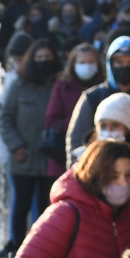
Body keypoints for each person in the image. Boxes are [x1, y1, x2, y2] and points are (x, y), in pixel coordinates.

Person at [0, 37, 62, 253]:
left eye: (48, 57)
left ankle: (39, 250)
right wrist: (16, 146)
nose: (44, 61)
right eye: (39, 57)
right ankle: (16, 248)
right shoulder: (18, 84)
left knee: (45, 209)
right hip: (23, 159)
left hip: (50, 160)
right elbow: (5, 118)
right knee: (20, 207)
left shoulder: (58, 84)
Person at [66, 34, 130, 157]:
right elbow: (76, 141)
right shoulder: (92, 97)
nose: (125, 67)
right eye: (119, 62)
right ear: (110, 63)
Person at [45, 43, 103, 182]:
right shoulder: (62, 86)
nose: (87, 66)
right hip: (61, 158)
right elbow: (50, 121)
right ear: (73, 64)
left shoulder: (102, 88)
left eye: (91, 62)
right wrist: (79, 121)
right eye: (82, 62)